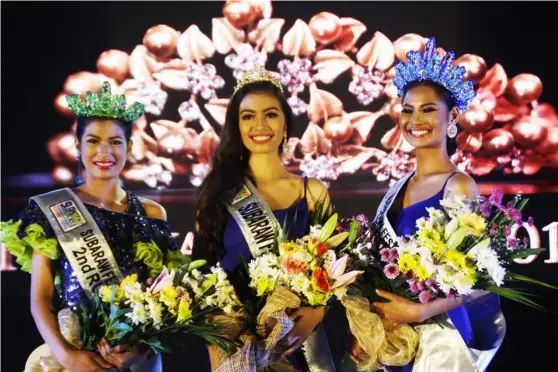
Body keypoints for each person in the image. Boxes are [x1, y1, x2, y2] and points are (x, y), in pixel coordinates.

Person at [1, 82, 187, 372]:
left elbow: (165, 297)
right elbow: (40, 298)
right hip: (75, 357)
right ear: (77, 145)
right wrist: (67, 356)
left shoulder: (152, 213)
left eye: (115, 141)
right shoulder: (53, 207)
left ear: (130, 147)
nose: (104, 152)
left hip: (135, 362)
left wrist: (142, 349)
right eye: (93, 141)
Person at [348, 38, 506, 371]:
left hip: (441, 339)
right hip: (396, 337)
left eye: (428, 109)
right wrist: (370, 329)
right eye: (407, 109)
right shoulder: (397, 187)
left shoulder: (459, 185)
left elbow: (479, 281)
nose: (415, 118)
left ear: (453, 116)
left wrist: (421, 311)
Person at [192, 66, 336, 371]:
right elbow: (201, 281)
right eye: (248, 116)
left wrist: (316, 312)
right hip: (237, 350)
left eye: (270, 114)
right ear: (236, 126)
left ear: (286, 124)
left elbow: (335, 268)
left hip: (299, 345)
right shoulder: (216, 195)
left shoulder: (312, 192)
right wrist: (217, 353)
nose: (260, 125)